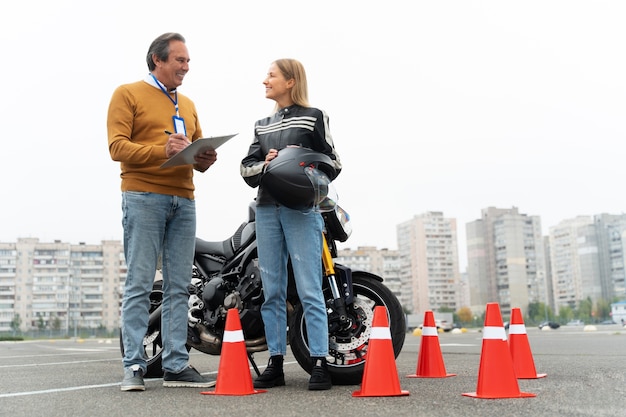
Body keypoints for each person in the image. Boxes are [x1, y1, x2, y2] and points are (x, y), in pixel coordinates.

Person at [107, 32, 217, 391]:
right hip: (143, 196)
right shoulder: (127, 93)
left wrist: (205, 158)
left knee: (179, 287)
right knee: (140, 284)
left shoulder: (187, 103)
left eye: (188, 61)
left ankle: (175, 364)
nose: (186, 67)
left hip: (184, 200)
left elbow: (192, 153)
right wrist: (161, 150)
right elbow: (116, 147)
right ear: (157, 59)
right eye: (180, 60)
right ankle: (134, 367)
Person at [240, 59, 342, 391]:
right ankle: (275, 362)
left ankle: (319, 362)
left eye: (271, 75)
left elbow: (334, 163)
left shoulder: (314, 117)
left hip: (302, 211)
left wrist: (301, 162)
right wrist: (266, 164)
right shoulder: (261, 124)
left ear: (290, 81)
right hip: (267, 210)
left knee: (310, 288)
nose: (264, 80)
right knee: (272, 292)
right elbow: (246, 169)